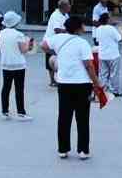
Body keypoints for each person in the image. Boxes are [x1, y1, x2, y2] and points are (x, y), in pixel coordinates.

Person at [41, 15, 102, 160]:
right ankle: (83, 150)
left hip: (64, 83)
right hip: (82, 84)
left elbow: (43, 45)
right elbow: (89, 65)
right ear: (78, 27)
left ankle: (63, 149)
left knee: (64, 116)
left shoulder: (58, 38)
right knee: (82, 118)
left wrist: (56, 54)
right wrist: (96, 83)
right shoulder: (83, 43)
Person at [0, 11, 34, 121]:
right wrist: (30, 45)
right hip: (18, 65)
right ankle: (21, 112)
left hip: (6, 64)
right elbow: (24, 50)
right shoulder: (19, 35)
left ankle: (5, 111)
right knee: (19, 89)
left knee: (6, 87)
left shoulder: (1, 33)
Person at [92, 12, 122, 96]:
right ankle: (114, 91)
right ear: (107, 19)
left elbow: (98, 41)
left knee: (103, 74)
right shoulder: (111, 28)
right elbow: (119, 39)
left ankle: (103, 90)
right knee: (114, 74)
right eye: (110, 18)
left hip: (102, 55)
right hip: (113, 55)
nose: (112, 19)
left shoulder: (98, 29)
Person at [44, 0, 71, 87]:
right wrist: (67, 31)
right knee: (50, 59)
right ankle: (52, 80)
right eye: (68, 5)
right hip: (51, 41)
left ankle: (60, 78)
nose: (70, 6)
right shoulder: (56, 15)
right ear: (63, 7)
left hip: (60, 41)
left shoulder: (65, 15)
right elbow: (56, 29)